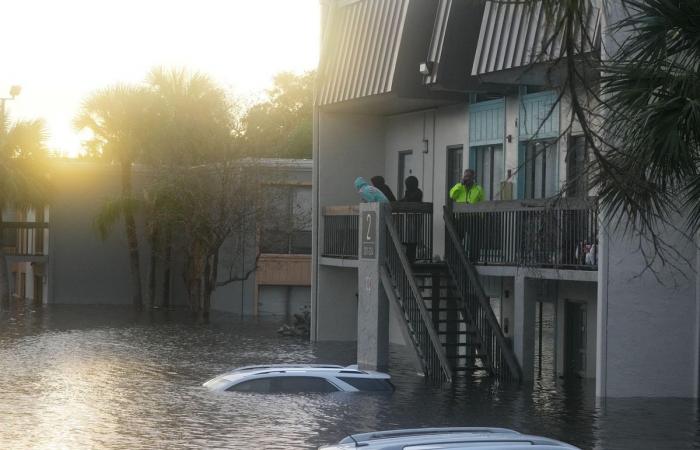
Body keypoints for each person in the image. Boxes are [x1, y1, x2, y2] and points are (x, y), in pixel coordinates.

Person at [449, 169, 484, 263]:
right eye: (465, 176)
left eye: (469, 176)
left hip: (474, 217)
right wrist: (460, 185)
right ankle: (456, 258)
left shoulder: (478, 188)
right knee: (458, 238)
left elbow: (482, 203)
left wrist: (481, 217)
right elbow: (452, 195)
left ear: (473, 178)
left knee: (474, 240)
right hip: (461, 217)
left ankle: (474, 259)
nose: (466, 178)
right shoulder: (459, 186)